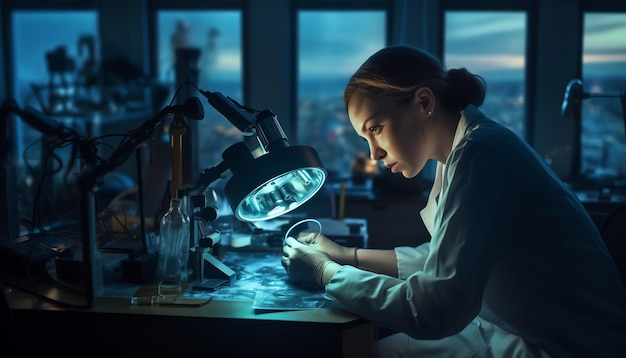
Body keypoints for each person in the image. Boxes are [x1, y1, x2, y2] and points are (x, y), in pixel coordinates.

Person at [281, 44, 626, 357]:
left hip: (565, 348)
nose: (373, 154)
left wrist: (325, 272)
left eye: (375, 128)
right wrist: (348, 255)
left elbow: (436, 309)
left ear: (424, 103)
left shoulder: (481, 155)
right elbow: (446, 261)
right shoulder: (461, 153)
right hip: (514, 330)